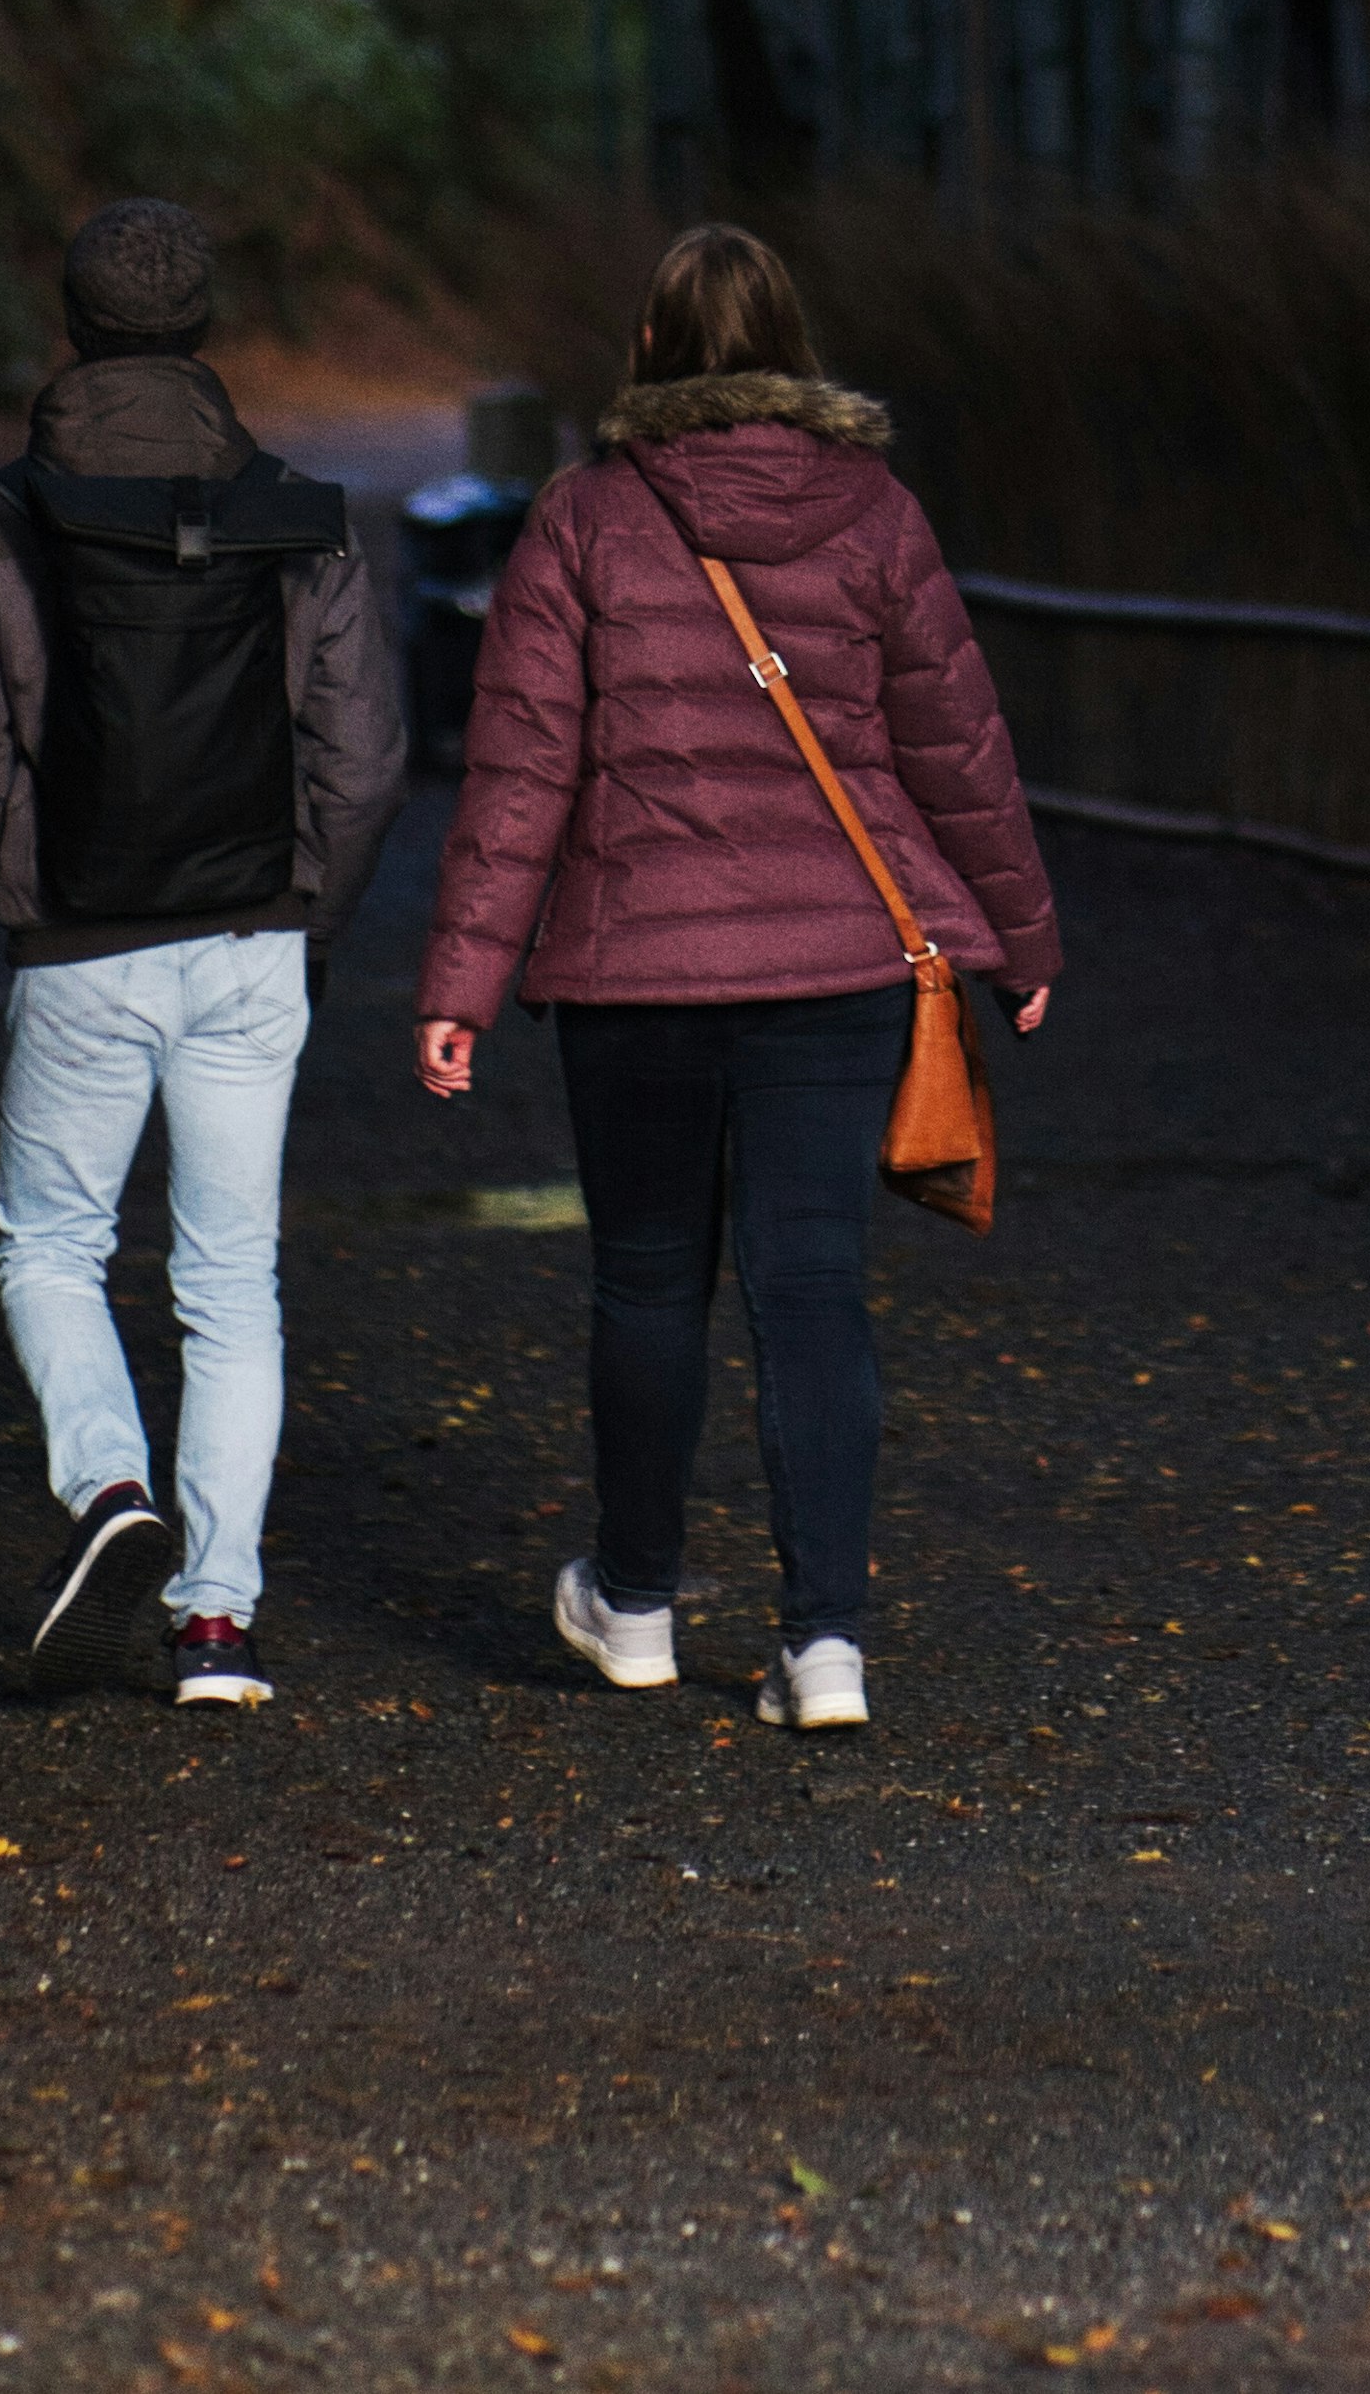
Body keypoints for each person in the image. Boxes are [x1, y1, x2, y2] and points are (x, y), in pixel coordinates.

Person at [412, 222, 1059, 1735]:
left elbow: (520, 771)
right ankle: (824, 1640)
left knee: (647, 1281)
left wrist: (462, 979)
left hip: (634, 969)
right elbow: (955, 750)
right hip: (836, 960)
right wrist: (1019, 940)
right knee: (813, 1289)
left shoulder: (581, 518)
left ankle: (634, 1607)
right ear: (794, 350)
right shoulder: (878, 513)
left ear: (647, 355)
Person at [0, 198, 404, 1709]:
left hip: (83, 947)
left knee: (49, 1243)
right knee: (230, 1283)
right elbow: (366, 760)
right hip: (255, 932)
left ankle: (112, 1492)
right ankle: (216, 1628)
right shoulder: (299, 515)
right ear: (200, 334)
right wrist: (314, 914)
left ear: (77, 327)